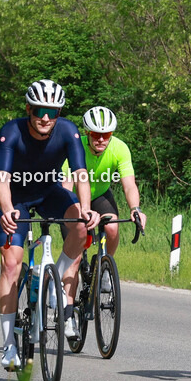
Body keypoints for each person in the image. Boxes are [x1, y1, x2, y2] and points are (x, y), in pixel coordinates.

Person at [0, 80, 97, 370]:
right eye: (39, 110)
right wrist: (6, 210)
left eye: (52, 112)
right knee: (11, 266)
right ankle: (8, 345)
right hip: (16, 198)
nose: (45, 117)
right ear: (28, 108)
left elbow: (80, 173)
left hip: (49, 191)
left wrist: (87, 210)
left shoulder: (68, 130)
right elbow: (1, 179)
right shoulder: (10, 132)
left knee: (80, 225)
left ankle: (56, 283)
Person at [61, 106, 147, 337]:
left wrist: (135, 209)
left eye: (106, 135)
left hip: (100, 195)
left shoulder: (119, 148)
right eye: (95, 134)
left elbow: (129, 184)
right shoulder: (74, 147)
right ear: (87, 132)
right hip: (73, 199)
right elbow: (66, 187)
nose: (100, 139)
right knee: (75, 255)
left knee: (111, 226)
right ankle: (68, 316)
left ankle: (105, 267)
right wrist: (81, 211)